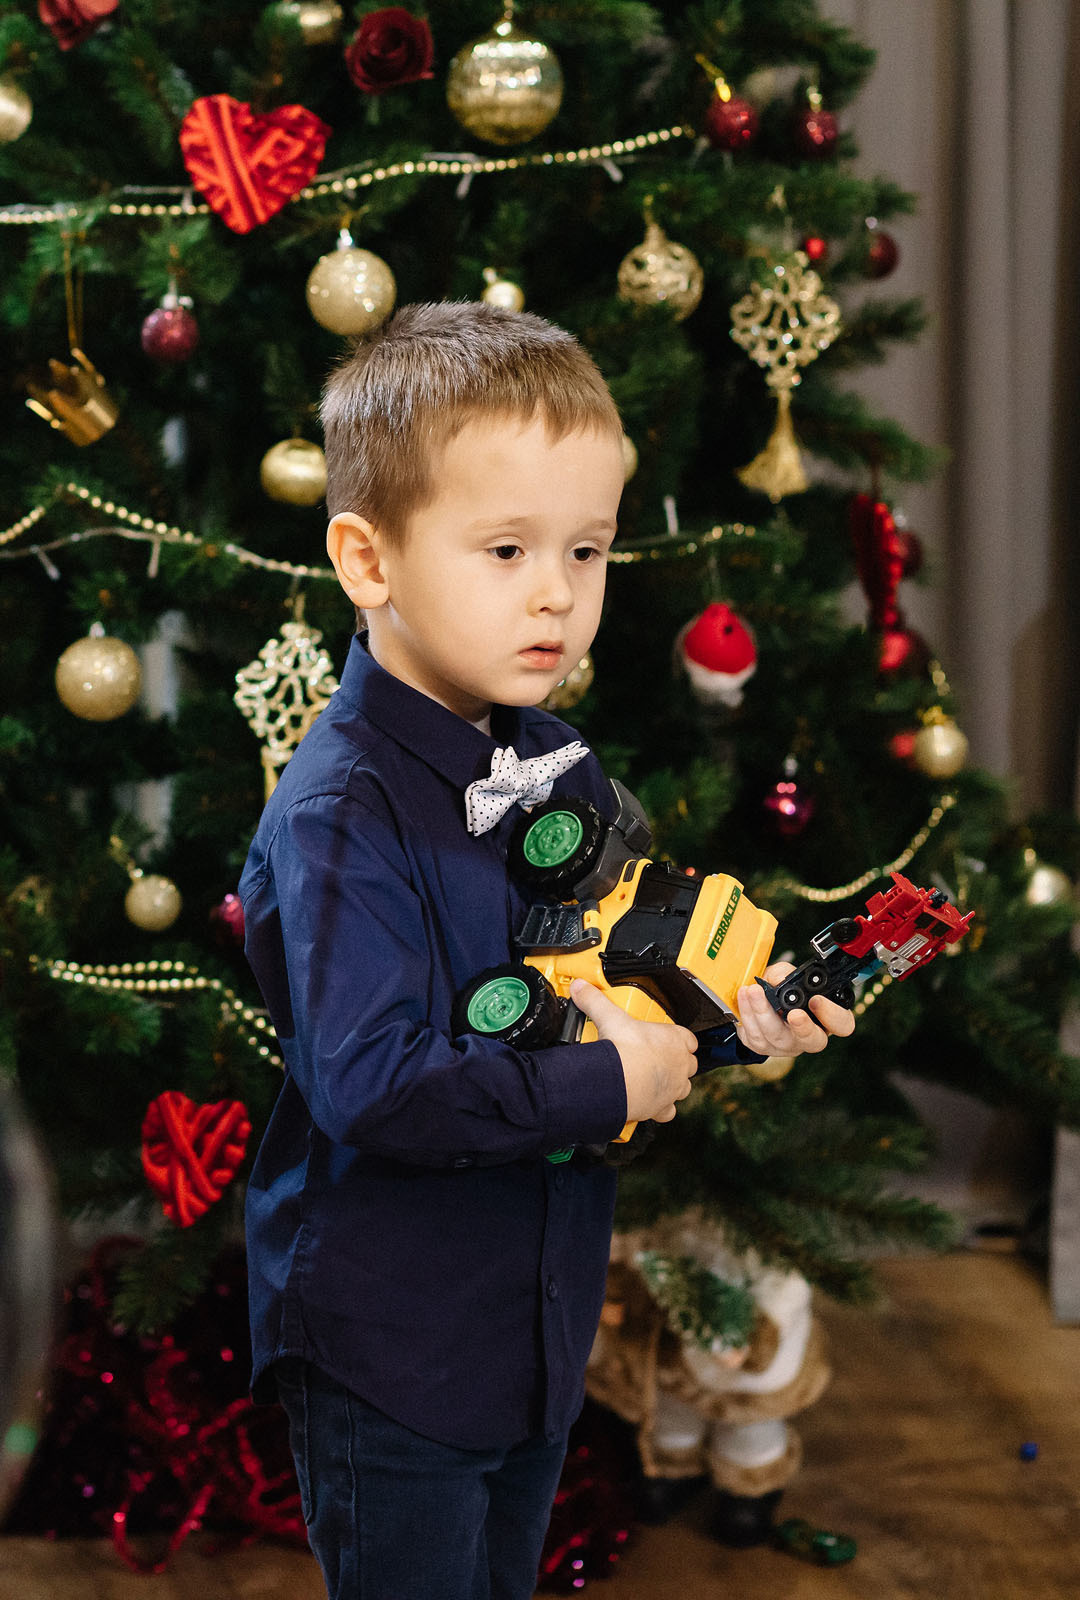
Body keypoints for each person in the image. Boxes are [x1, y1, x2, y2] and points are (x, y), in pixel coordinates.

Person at [234, 302, 855, 1600]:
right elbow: (372, 1080)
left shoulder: (553, 757)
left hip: (533, 1316)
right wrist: (599, 1086)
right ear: (369, 560)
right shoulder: (342, 813)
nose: (559, 594)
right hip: (390, 1340)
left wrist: (741, 1024)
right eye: (507, 548)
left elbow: (621, 976)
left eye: (588, 549)